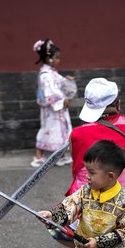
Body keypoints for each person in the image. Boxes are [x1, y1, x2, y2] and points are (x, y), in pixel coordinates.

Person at [50, 78, 125, 248]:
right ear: (118, 104)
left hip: (83, 221)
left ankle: (87, 246)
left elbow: (77, 172)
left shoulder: (76, 135)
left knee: (56, 221)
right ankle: (107, 245)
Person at [31, 38, 75, 167]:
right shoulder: (46, 74)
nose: (58, 60)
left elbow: (58, 83)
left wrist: (66, 81)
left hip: (55, 109)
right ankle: (39, 156)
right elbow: (50, 92)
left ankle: (59, 156)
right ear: (49, 59)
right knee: (49, 130)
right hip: (52, 109)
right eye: (57, 58)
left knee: (56, 131)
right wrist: (62, 100)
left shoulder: (51, 73)